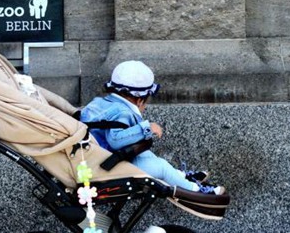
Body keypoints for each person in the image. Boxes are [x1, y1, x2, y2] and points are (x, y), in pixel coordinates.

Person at [81, 60, 225, 195]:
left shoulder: (100, 103)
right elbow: (115, 139)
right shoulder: (122, 112)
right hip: (108, 165)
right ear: (139, 100)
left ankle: (180, 176)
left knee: (145, 154)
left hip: (99, 157)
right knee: (161, 167)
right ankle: (195, 190)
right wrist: (146, 128)